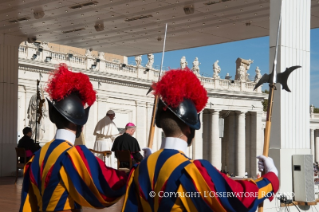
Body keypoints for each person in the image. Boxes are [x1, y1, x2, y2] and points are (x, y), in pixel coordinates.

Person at [122, 68, 279, 211]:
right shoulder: (192, 171)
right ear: (189, 128)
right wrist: (271, 177)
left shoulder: (140, 169)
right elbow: (240, 198)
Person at [20, 64, 127, 212]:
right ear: (81, 124)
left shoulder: (36, 157)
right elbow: (108, 187)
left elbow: (26, 204)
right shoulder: (72, 156)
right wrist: (138, 170)